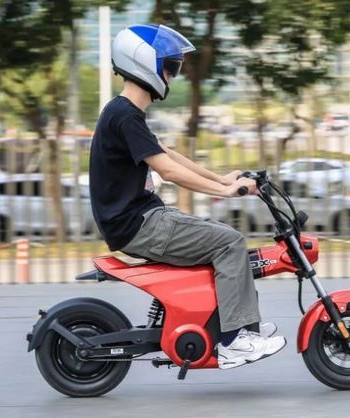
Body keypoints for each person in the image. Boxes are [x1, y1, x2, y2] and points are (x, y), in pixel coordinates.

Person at [89, 24, 285, 369]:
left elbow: (169, 155)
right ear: (144, 64)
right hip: (138, 224)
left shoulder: (126, 113)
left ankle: (243, 327)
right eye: (169, 67)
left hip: (145, 218)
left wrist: (221, 178)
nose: (171, 76)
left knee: (222, 236)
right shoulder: (123, 115)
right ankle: (234, 341)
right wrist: (225, 191)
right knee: (229, 243)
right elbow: (169, 171)